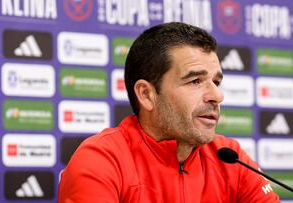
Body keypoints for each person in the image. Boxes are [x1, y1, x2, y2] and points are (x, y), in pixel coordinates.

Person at [58, 22, 280, 203]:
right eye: (195, 81)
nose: (217, 96)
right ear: (146, 94)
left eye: (216, 81)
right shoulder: (101, 161)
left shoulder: (230, 157)